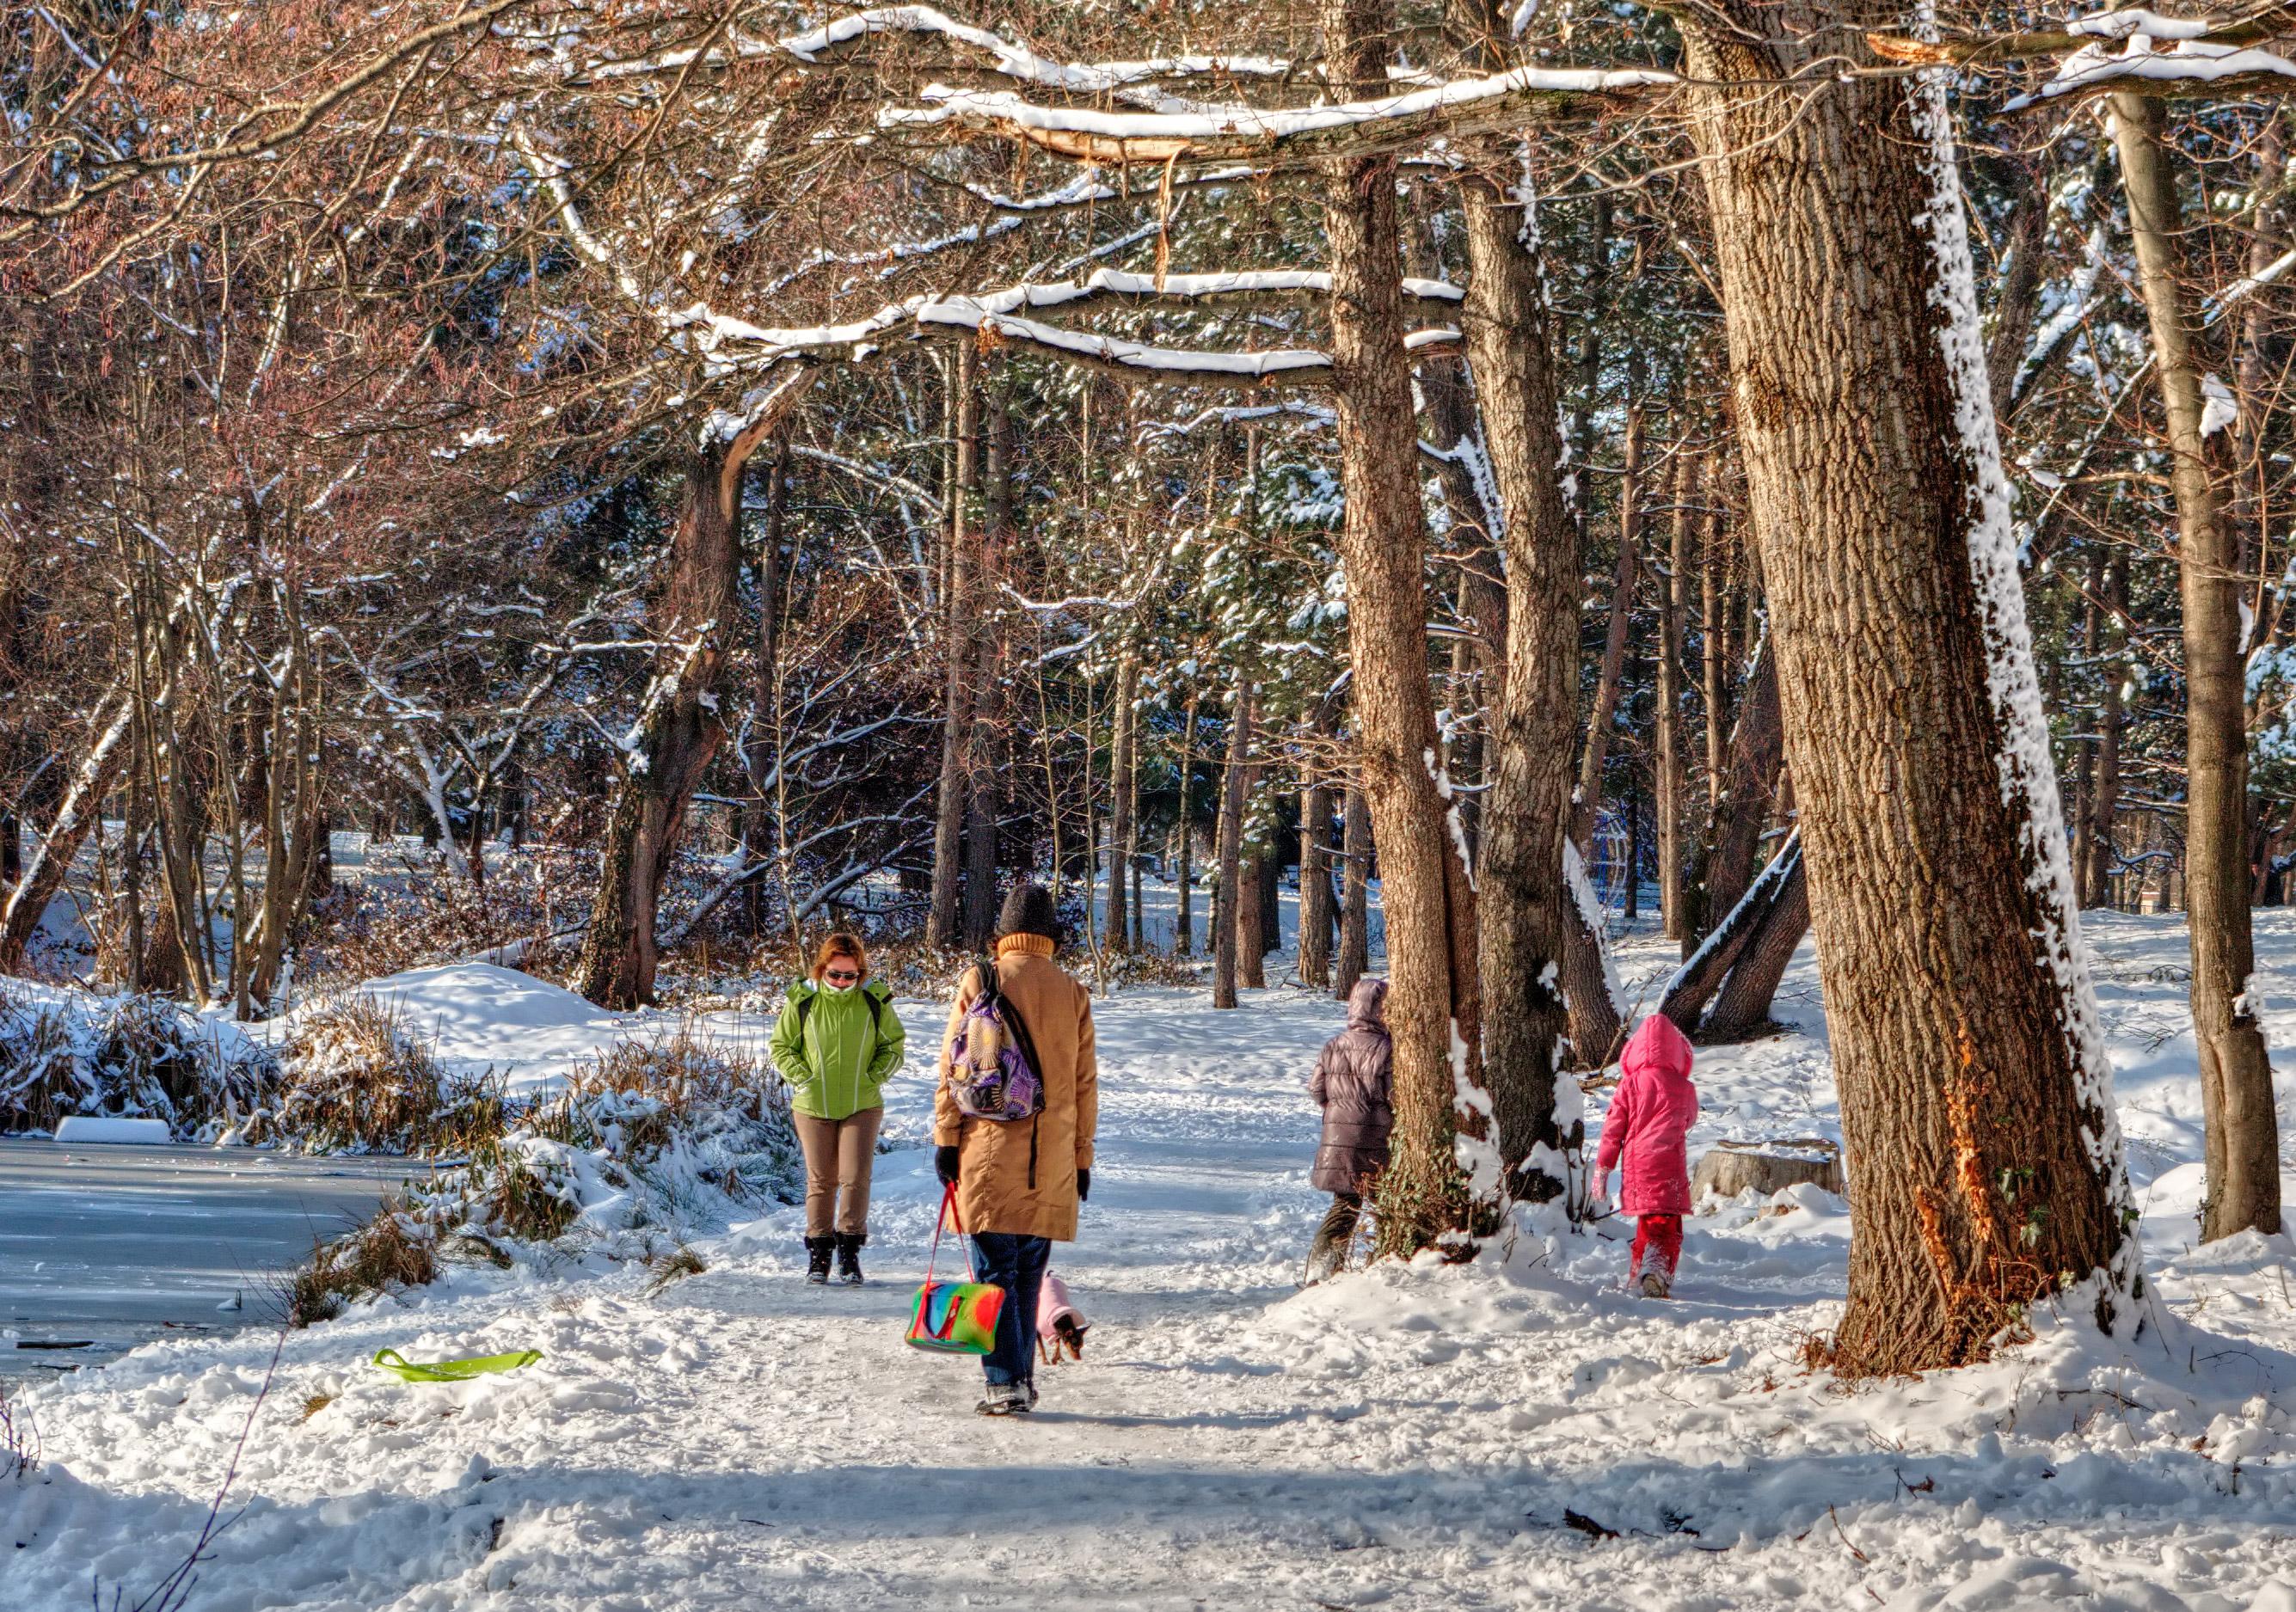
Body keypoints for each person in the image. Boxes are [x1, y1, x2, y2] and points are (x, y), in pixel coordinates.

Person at [934, 885, 1098, 1416]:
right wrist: (1081, 1159)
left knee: (994, 1274)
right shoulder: (1072, 991)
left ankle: (1005, 1384)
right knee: (1028, 1275)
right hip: (1051, 1162)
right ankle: (1019, 1380)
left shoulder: (981, 980)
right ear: (1050, 935)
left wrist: (945, 1140)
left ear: (1003, 932)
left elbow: (953, 1072)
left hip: (987, 1153)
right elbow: (1084, 1085)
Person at [770, 931, 906, 1285]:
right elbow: (782, 1046)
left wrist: (874, 1075)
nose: (842, 982)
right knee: (821, 1180)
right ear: (821, 970)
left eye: (850, 975)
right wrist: (803, 1078)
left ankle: (849, 1253)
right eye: (835, 974)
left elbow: (894, 1044)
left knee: (855, 1177)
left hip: (862, 1104)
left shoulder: (875, 1002)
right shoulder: (803, 1002)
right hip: (814, 1104)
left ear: (860, 973)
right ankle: (819, 1256)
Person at [1591, 1013, 1700, 1297]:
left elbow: (1613, 1131)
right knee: (1668, 1226)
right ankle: (1656, 1273)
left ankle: (1636, 1276)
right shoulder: (1684, 1087)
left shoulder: (1628, 1086)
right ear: (1678, 1052)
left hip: (1639, 1167)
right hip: (1670, 1165)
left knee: (1647, 1223)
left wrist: (1603, 1169)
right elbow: (1690, 1120)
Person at [1305, 977, 1392, 1284]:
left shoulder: (1333, 1046)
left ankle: (1321, 1269)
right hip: (1376, 1136)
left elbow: (1316, 1089)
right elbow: (1395, 1094)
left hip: (1337, 1139)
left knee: (1345, 1204)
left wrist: (1338, 1108)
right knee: (1387, 1204)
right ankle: (1387, 1263)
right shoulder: (1386, 1048)